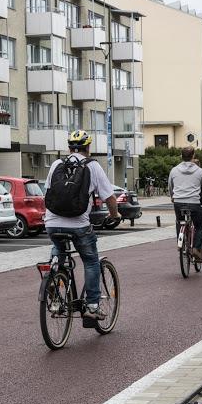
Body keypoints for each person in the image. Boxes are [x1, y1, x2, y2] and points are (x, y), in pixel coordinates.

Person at [44, 130, 121, 322]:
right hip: (79, 224)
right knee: (91, 260)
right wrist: (115, 215)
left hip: (52, 222)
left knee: (59, 246)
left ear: (69, 147)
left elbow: (47, 192)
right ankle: (92, 307)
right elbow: (109, 197)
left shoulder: (56, 164)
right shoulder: (93, 166)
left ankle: (54, 273)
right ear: (88, 147)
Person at [168, 147, 202, 262]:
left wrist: (173, 196)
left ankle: (181, 242)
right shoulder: (199, 171)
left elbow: (170, 186)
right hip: (194, 202)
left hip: (178, 202)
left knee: (179, 221)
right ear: (193, 156)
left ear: (181, 156)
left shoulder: (174, 170)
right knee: (199, 226)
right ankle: (196, 249)